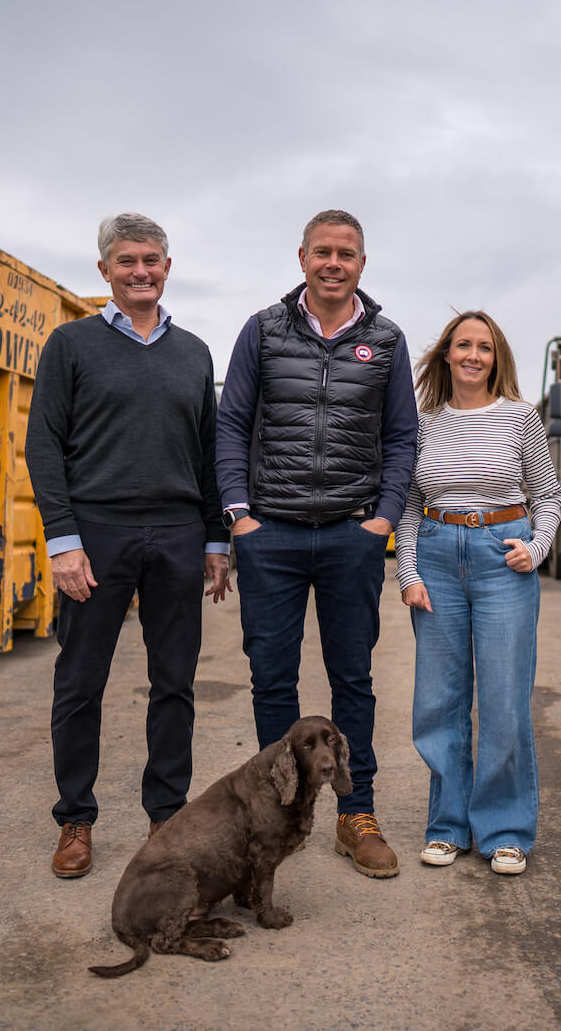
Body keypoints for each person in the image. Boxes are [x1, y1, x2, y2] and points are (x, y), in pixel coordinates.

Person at [26, 213, 231, 880]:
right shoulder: (71, 345)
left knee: (174, 683)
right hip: (97, 534)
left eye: (151, 260)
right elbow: (44, 447)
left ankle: (167, 818)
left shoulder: (195, 353)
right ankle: (75, 820)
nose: (139, 271)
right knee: (80, 682)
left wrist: (214, 536)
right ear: (105, 271)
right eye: (126, 261)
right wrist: (63, 540)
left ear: (167, 268)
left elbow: (208, 455)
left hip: (175, 535)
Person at [215, 209, 419, 878]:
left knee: (351, 678)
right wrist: (240, 515)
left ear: (363, 263)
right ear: (301, 257)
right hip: (269, 533)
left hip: (349, 533)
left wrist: (383, 518)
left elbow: (401, 438)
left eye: (348, 253)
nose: (335, 262)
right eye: (323, 251)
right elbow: (232, 423)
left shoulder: (385, 340)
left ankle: (353, 813)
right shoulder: (263, 331)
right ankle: (279, 808)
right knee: (272, 676)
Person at [395, 311, 560, 875]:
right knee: (438, 701)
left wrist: (534, 549)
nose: (472, 355)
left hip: (502, 561)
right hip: (438, 558)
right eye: (462, 345)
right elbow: (412, 507)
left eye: (483, 347)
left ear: (497, 358)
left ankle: (505, 829)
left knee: (503, 700)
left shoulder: (521, 418)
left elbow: (548, 497)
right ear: (445, 354)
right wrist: (409, 575)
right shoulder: (424, 423)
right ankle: (447, 826)